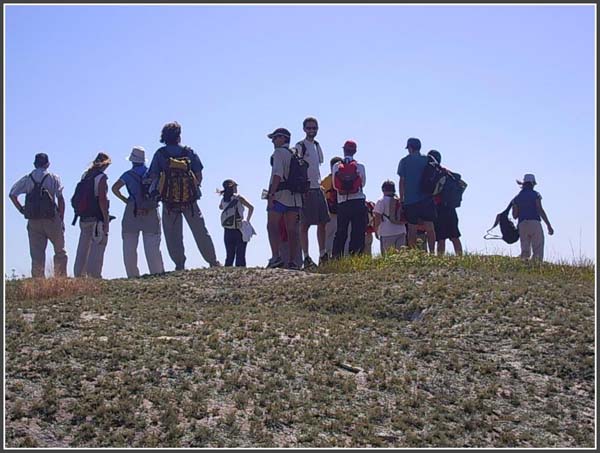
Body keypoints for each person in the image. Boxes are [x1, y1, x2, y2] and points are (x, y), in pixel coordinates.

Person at [146, 121, 220, 270]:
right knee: (200, 231)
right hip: (190, 200)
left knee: (173, 236)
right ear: (179, 136)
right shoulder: (188, 152)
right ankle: (212, 261)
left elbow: (153, 175)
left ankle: (179, 264)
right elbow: (199, 173)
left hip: (169, 201)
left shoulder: (160, 154)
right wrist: (193, 187)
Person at [9, 153, 68, 278]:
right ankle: (61, 279)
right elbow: (60, 199)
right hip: (52, 218)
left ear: (34, 164)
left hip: (33, 220)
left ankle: (38, 283)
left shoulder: (27, 178)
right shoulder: (53, 177)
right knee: (60, 251)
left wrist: (21, 210)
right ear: (48, 164)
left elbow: (12, 194)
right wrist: (61, 218)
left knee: (37, 255)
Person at [111, 146, 165, 277]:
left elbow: (115, 188)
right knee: (152, 245)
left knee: (129, 245)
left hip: (132, 209)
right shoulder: (151, 173)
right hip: (151, 209)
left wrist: (126, 200)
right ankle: (157, 274)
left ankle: (132, 275)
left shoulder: (127, 175)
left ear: (132, 160)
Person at [295, 117, 330, 268]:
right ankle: (306, 256)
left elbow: (317, 166)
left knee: (323, 222)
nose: (311, 130)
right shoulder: (300, 146)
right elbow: (297, 167)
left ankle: (322, 254)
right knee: (305, 224)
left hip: (317, 187)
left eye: (314, 128)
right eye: (309, 128)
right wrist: (302, 189)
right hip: (306, 190)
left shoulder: (317, 145)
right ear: (304, 129)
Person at [265, 127, 303, 269]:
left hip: (280, 195)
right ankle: (293, 261)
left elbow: (277, 175)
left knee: (272, 225)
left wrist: (271, 195)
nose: (273, 141)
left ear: (282, 138)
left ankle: (276, 257)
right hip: (295, 196)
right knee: (292, 229)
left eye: (275, 138)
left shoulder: (278, 153)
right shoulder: (295, 153)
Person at [73, 152, 112, 278]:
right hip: (96, 217)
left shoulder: (85, 176)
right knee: (98, 246)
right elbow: (102, 199)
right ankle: (94, 275)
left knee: (83, 247)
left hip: (83, 217)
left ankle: (79, 274)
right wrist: (106, 219)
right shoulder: (101, 178)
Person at [397, 137, 436, 253]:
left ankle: (413, 253)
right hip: (426, 198)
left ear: (410, 147)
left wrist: (402, 199)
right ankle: (432, 252)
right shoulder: (427, 160)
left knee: (412, 228)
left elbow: (402, 181)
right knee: (430, 227)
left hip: (410, 200)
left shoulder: (404, 161)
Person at [332, 140, 367, 258]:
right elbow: (363, 183)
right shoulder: (360, 166)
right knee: (358, 232)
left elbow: (335, 185)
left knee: (341, 232)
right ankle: (355, 257)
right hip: (358, 201)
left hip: (343, 202)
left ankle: (337, 258)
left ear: (344, 150)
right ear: (355, 151)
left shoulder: (336, 166)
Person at [427, 150, 463, 256]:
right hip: (450, 208)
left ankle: (440, 259)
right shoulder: (447, 172)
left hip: (438, 207)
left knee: (440, 238)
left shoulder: (434, 172)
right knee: (454, 236)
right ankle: (460, 257)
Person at [511, 173, 554, 261]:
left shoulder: (517, 198)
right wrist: (548, 225)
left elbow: (515, 215)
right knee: (538, 247)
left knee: (525, 249)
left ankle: (524, 265)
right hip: (534, 223)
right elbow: (540, 210)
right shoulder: (536, 195)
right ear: (532, 183)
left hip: (522, 224)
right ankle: (536, 267)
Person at [218, 179, 254, 267]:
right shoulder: (238, 198)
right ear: (233, 187)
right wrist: (247, 220)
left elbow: (220, 208)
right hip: (239, 228)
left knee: (229, 256)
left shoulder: (223, 199)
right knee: (240, 255)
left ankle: (227, 276)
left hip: (227, 229)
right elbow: (251, 207)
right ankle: (241, 276)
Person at [372, 180, 407, 255]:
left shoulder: (381, 201)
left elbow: (377, 217)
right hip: (401, 231)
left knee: (388, 257)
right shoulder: (400, 200)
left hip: (387, 233)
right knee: (401, 256)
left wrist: (376, 230)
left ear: (383, 189)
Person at [321, 156, 343, 261]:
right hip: (342, 212)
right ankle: (341, 259)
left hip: (329, 213)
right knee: (343, 236)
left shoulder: (326, 180)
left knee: (328, 238)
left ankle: (327, 259)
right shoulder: (343, 179)